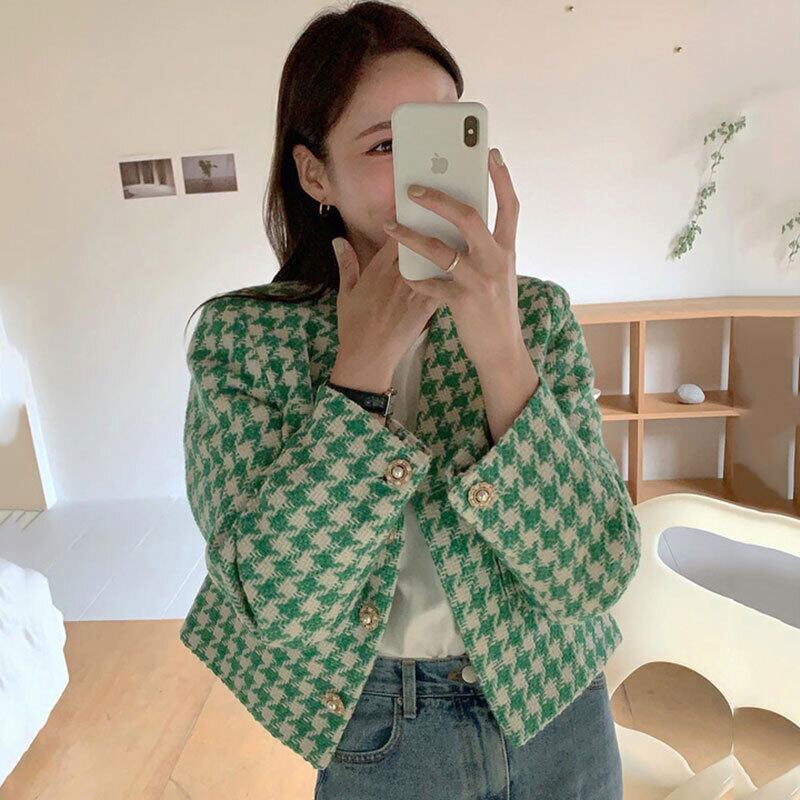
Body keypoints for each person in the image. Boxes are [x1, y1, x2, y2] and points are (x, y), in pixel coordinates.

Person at [180, 2, 640, 798]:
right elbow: (275, 605)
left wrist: (501, 350)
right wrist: (359, 371)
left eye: (444, 133)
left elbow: (592, 576)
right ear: (315, 174)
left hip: (557, 703)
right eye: (386, 144)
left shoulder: (535, 316)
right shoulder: (243, 341)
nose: (424, 170)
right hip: (380, 729)